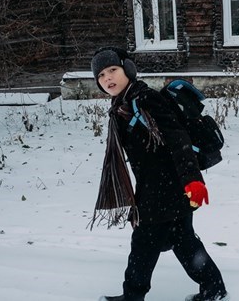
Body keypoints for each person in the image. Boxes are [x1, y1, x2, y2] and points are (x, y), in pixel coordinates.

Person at [90, 47, 229, 301]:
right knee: (184, 241)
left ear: (128, 69)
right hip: (161, 186)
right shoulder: (121, 106)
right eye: (101, 75)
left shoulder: (144, 99)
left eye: (113, 70)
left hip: (166, 187)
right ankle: (214, 289)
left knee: (144, 243)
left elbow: (178, 138)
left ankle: (133, 296)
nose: (107, 78)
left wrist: (193, 179)